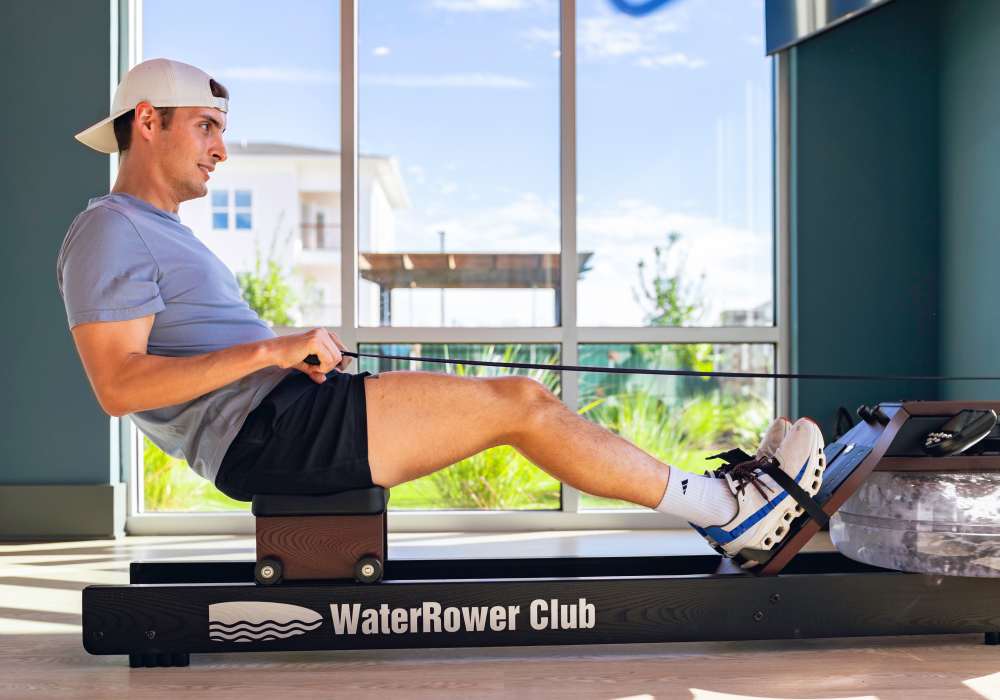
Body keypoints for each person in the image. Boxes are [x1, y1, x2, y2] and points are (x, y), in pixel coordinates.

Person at [57, 58, 825, 560]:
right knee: (520, 403)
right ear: (149, 121)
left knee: (521, 402)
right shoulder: (109, 229)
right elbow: (117, 388)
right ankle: (726, 510)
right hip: (268, 434)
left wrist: (290, 360)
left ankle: (721, 505)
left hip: (287, 412)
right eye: (208, 126)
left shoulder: (154, 233)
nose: (222, 148)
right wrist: (271, 351)